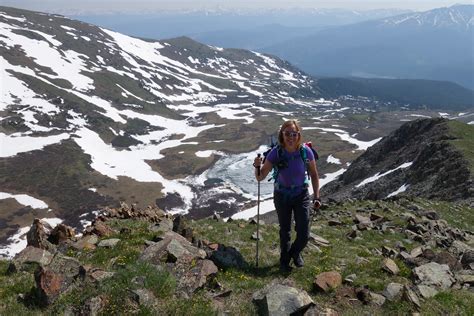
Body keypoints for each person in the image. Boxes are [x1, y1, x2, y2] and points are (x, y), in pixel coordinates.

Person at [253, 119, 321, 272]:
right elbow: (260, 176)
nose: (291, 137)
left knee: (303, 233)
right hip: (282, 195)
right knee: (285, 230)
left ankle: (294, 253)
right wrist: (257, 166)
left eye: (294, 134)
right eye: (287, 134)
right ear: (282, 135)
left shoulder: (305, 151)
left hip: (301, 194)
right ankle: (284, 261)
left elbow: (315, 175)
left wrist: (316, 196)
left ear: (299, 135)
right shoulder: (276, 152)